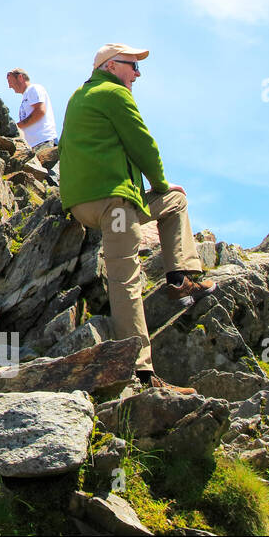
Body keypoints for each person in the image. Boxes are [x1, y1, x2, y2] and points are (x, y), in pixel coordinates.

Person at [58, 43, 217, 394]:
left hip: (82, 204)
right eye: (133, 66)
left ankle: (179, 278)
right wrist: (160, 183)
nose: (138, 74)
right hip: (113, 204)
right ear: (113, 66)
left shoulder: (78, 96)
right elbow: (144, 145)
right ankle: (142, 372)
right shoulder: (114, 94)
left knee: (172, 203)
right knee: (126, 278)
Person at [8, 67, 59, 179]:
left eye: (10, 81)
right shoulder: (26, 96)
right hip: (35, 145)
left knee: (46, 177)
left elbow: (40, 111)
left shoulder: (34, 89)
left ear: (20, 77)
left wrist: (17, 127)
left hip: (43, 141)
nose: (9, 86)